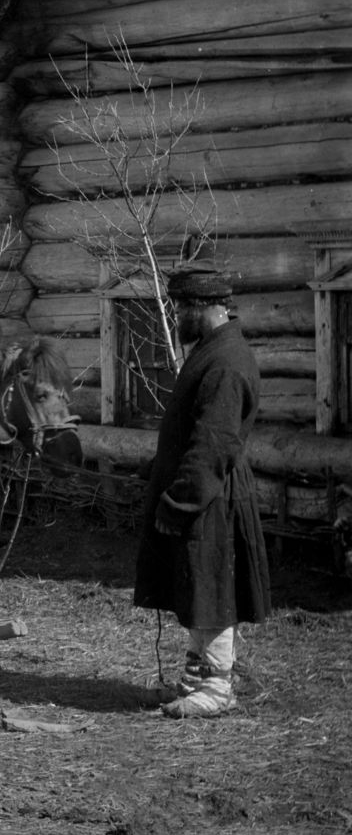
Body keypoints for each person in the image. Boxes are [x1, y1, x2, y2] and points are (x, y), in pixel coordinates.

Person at [133, 264, 271, 719]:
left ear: (203, 307)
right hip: (205, 492)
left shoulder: (227, 362)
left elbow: (213, 443)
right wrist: (157, 474)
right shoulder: (212, 351)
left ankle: (216, 686)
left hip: (213, 497)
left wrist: (180, 500)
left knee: (212, 589)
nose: (176, 316)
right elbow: (189, 432)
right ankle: (197, 678)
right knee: (197, 586)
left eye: (180, 308)